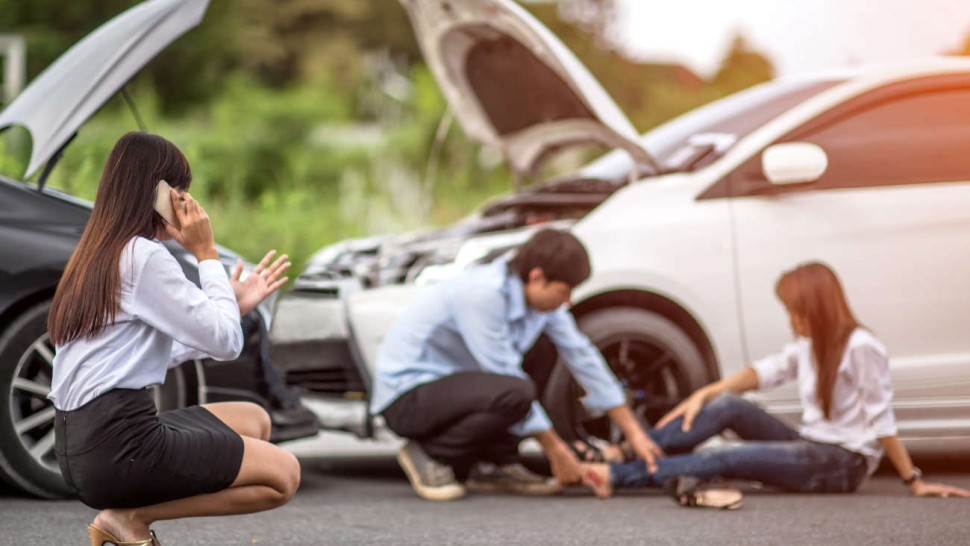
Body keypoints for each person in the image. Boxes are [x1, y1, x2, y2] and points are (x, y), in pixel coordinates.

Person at [48, 132, 299, 546]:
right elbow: (226, 345)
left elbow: (149, 354)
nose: (186, 201)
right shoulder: (143, 255)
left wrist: (231, 309)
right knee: (283, 476)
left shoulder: (100, 251)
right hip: (119, 445)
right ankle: (130, 516)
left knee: (255, 419)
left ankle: (126, 513)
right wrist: (207, 254)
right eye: (178, 189)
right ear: (155, 192)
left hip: (83, 443)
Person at [581, 262, 969, 506]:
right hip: (811, 444)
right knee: (729, 406)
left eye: (795, 312)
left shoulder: (860, 347)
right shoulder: (810, 344)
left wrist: (913, 480)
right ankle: (623, 453)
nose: (791, 321)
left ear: (815, 309)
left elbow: (882, 421)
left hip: (840, 464)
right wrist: (705, 393)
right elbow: (762, 373)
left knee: (725, 457)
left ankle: (615, 475)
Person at [370, 228, 664, 501]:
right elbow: (503, 372)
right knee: (516, 390)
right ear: (537, 277)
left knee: (545, 352)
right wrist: (556, 451)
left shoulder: (540, 305)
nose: (569, 301)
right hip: (407, 396)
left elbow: (582, 355)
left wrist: (635, 433)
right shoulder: (482, 294)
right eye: (564, 291)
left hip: (455, 388)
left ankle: (494, 464)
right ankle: (429, 454)